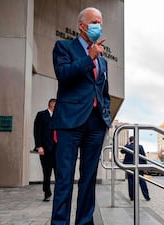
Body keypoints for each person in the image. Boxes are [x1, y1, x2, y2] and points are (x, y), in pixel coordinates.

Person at [50, 7, 111, 225]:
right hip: (69, 122)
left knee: (89, 180)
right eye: (94, 22)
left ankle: (84, 221)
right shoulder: (64, 47)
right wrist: (89, 57)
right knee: (65, 179)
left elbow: (104, 92)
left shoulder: (103, 60)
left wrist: (106, 118)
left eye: (100, 22)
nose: (98, 26)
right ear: (82, 25)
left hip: (95, 124)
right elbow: (64, 75)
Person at [33, 98, 57, 202]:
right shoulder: (41, 115)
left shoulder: (59, 116)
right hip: (46, 150)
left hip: (58, 150)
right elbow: (37, 131)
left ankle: (58, 194)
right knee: (46, 173)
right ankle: (47, 193)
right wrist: (39, 146)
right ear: (51, 106)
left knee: (59, 174)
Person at [121, 136, 151, 201]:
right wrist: (145, 167)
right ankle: (147, 197)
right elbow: (143, 157)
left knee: (131, 181)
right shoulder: (140, 146)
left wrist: (127, 144)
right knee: (142, 181)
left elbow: (122, 151)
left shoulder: (128, 146)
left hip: (129, 166)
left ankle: (132, 197)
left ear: (130, 140)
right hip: (139, 166)